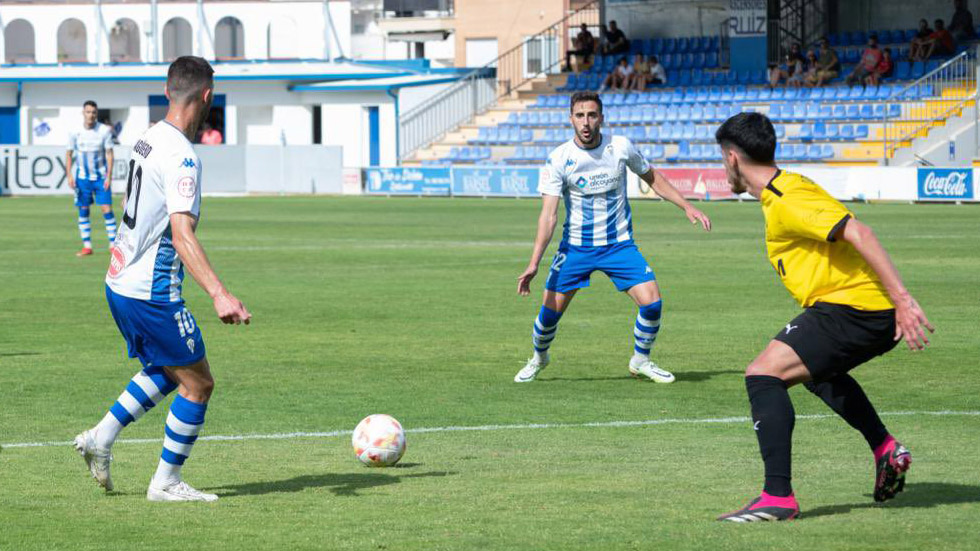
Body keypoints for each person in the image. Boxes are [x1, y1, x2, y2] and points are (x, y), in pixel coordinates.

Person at [713, 112, 933, 522]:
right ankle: (885, 448)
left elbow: (860, 233)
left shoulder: (786, 197)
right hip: (856, 308)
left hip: (857, 308)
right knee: (816, 373)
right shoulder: (784, 189)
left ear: (731, 158)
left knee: (763, 374)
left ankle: (777, 496)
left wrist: (903, 299)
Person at [73, 56, 252, 502]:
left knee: (169, 370)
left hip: (118, 280)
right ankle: (165, 483)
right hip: (150, 292)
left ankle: (100, 437)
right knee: (199, 382)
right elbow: (181, 232)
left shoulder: (149, 137)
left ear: (168, 90)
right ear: (207, 97)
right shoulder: (183, 157)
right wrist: (219, 293)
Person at [513, 91, 712, 384]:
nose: (586, 122)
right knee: (549, 314)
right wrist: (534, 263)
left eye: (592, 115)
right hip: (577, 247)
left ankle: (641, 360)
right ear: (571, 119)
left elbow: (652, 177)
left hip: (619, 245)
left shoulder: (620, 147)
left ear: (601, 118)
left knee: (652, 302)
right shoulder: (559, 158)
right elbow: (549, 215)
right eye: (580, 115)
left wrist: (686, 205)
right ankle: (539, 357)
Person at [66, 100, 116, 257]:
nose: (91, 115)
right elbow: (69, 153)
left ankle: (113, 245)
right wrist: (69, 175)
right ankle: (87, 246)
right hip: (82, 178)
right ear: (83, 113)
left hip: (101, 177)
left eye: (94, 112)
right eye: (88, 112)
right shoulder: (75, 132)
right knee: (83, 209)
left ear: (97, 113)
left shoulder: (104, 131)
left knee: (106, 208)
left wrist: (109, 175)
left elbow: (109, 153)